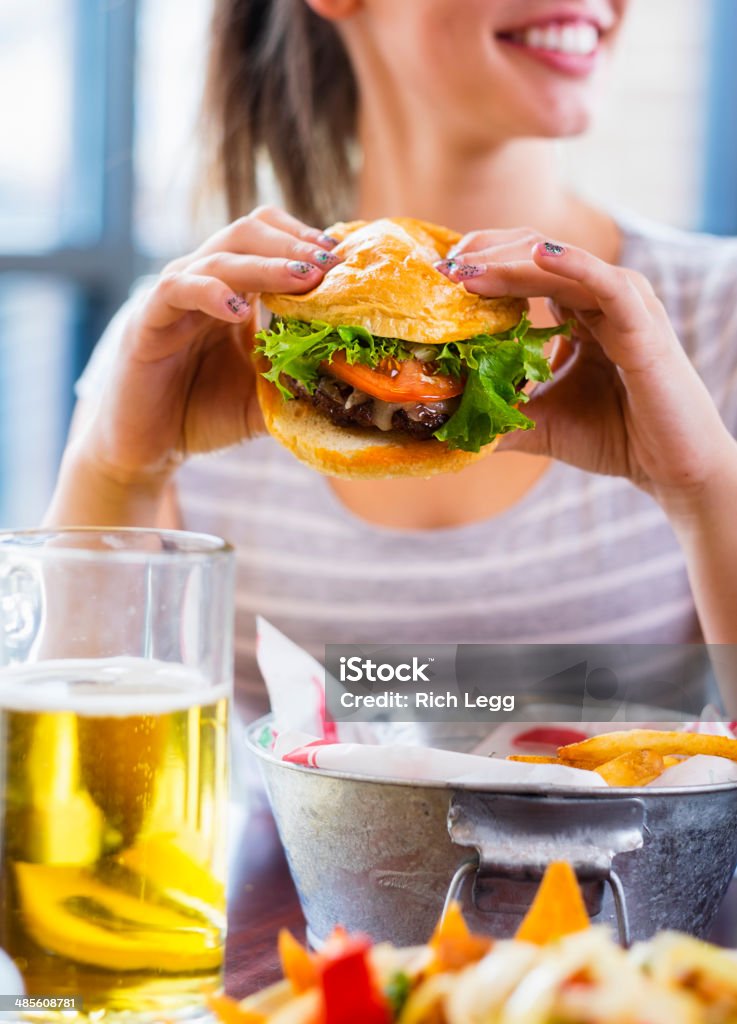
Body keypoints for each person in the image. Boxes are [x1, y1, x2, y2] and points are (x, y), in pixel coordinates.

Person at [47, 0, 737, 716]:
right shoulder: (187, 333)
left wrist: (703, 489)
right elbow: (79, 790)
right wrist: (117, 474)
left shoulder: (720, 313)